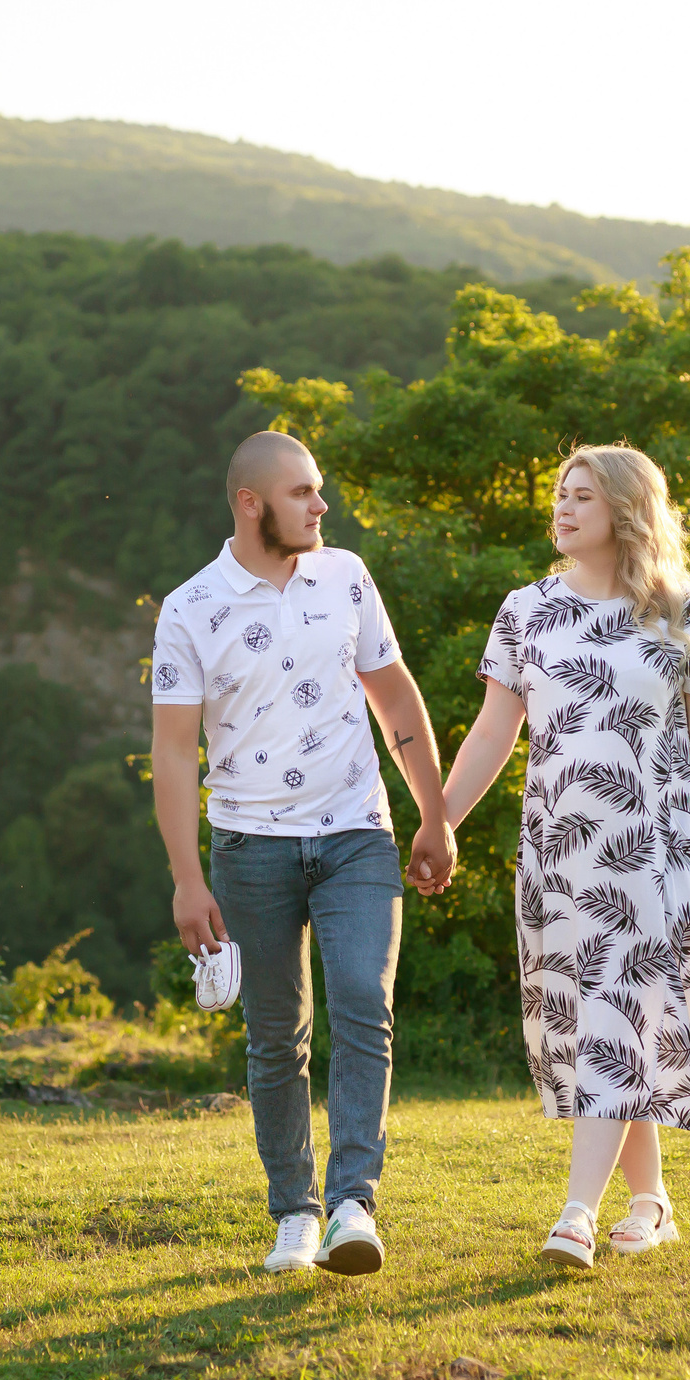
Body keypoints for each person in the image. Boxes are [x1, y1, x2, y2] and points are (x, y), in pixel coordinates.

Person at [438, 444, 690, 1267]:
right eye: (559, 494)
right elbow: (495, 730)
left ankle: (575, 1214)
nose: (561, 508)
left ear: (625, 511)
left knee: (618, 1009)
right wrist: (439, 821)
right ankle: (652, 1202)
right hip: (563, 855)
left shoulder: (679, 609)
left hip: (662, 850)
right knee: (610, 1016)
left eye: (581, 496)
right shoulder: (526, 610)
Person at [150, 430, 457, 1276]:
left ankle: (354, 1202)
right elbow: (174, 753)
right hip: (249, 845)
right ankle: (294, 1212)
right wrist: (186, 878)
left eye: (319, 490)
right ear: (252, 505)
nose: (321, 505)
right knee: (274, 1033)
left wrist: (434, 814)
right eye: (303, 493)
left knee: (364, 997)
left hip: (358, 830)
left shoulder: (346, 576)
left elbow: (395, 693)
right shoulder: (190, 608)